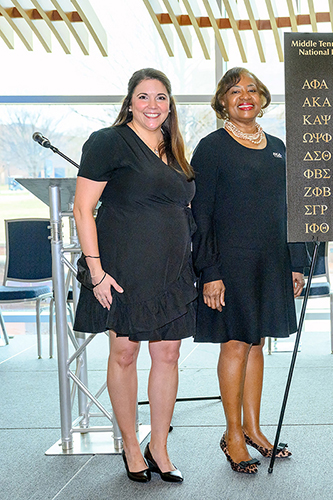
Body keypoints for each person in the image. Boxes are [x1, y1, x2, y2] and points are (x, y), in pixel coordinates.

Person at [73, 68, 197, 483]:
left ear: (170, 104)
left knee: (169, 355)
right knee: (124, 354)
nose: (152, 105)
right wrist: (96, 273)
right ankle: (131, 445)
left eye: (161, 97)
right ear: (129, 102)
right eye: (143, 97)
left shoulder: (174, 145)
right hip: (121, 269)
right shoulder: (108, 142)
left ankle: (159, 446)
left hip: (173, 270)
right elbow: (82, 210)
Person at [191, 67, 307, 474]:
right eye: (236, 90)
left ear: (263, 98)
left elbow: (290, 211)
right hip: (229, 264)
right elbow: (200, 215)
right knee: (236, 344)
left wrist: (295, 263)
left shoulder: (278, 147)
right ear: (222, 99)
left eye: (253, 90)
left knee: (257, 343)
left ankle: (255, 430)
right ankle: (233, 434)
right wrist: (209, 271)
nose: (245, 96)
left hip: (271, 261)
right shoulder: (211, 148)